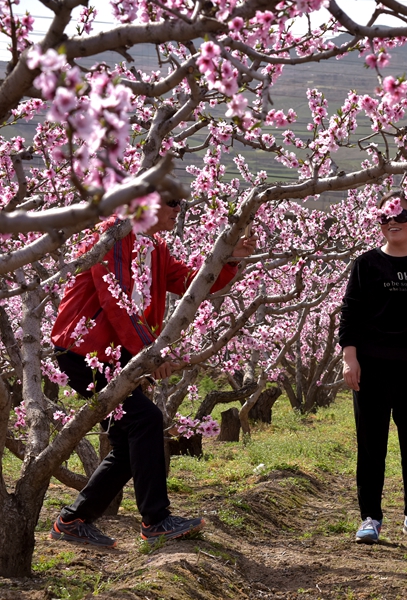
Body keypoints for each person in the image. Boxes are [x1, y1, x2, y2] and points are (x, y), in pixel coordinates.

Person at [49, 197, 256, 548]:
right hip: (84, 350)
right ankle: (156, 520)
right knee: (145, 420)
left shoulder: (155, 247)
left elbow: (191, 282)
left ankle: (74, 520)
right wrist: (150, 354)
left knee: (129, 442)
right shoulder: (114, 235)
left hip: (117, 355)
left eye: (181, 202)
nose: (178, 209)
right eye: (171, 201)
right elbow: (116, 300)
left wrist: (230, 257)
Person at [338, 193, 407, 544]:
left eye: (401, 215)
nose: (392, 222)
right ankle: (370, 517)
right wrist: (349, 357)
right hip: (371, 366)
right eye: (385, 216)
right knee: (371, 443)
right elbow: (350, 312)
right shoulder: (366, 264)